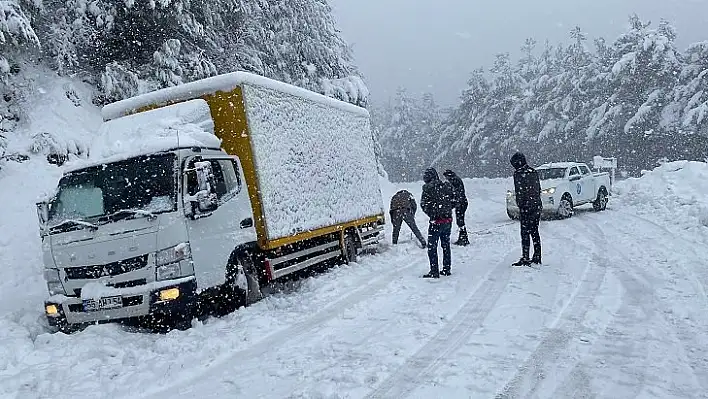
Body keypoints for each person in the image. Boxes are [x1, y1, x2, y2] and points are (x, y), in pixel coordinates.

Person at [420, 167, 454, 278]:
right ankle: (446, 269)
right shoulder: (446, 186)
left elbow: (424, 205)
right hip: (448, 221)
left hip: (436, 222)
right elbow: (454, 200)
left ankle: (434, 271)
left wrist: (432, 214)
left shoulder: (427, 188)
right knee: (446, 245)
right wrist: (447, 210)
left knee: (432, 247)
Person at [510, 152, 542, 266]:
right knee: (535, 231)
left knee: (525, 233)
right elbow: (538, 189)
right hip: (536, 205)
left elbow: (520, 192)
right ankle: (537, 256)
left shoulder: (518, 174)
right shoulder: (533, 172)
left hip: (526, 208)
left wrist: (521, 205)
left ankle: (526, 257)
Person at [443, 169, 470, 246]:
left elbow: (456, 193)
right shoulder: (456, 179)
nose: (446, 179)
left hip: (461, 203)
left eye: (446, 177)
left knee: (460, 221)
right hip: (461, 203)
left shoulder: (454, 180)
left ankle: (464, 239)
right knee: (460, 221)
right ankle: (463, 237)